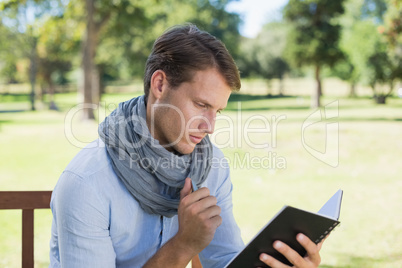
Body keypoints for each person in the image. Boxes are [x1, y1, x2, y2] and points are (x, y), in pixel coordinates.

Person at [49, 24, 325, 268]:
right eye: (202, 105)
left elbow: (224, 259)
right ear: (160, 84)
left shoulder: (210, 165)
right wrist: (184, 245)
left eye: (217, 111)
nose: (209, 126)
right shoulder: (86, 182)